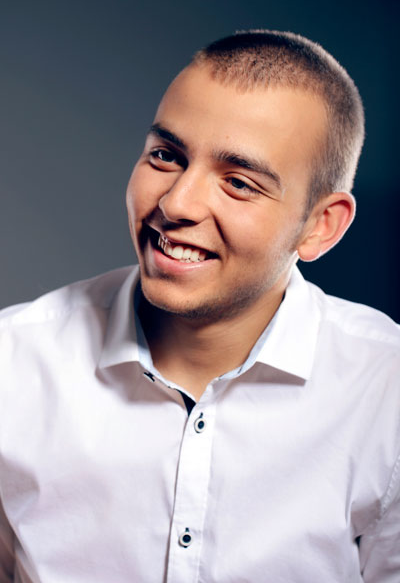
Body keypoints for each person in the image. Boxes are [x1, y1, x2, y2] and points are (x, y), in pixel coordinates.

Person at [0, 30, 399, 583]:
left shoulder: (386, 390)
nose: (176, 203)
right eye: (166, 156)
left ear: (320, 226)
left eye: (238, 183)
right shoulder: (12, 362)